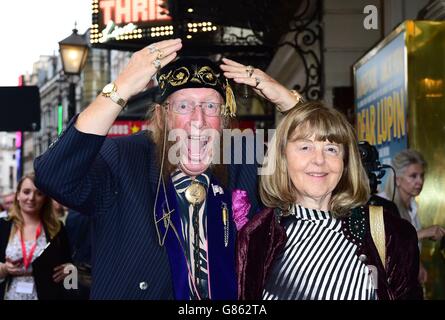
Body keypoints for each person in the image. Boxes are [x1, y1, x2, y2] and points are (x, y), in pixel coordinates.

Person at [33, 39, 304, 299]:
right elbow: (54, 176)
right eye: (184, 106)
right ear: (162, 116)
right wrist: (120, 88)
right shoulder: (123, 159)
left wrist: (289, 103)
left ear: (223, 119)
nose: (198, 120)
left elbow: (324, 173)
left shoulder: (245, 161)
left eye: (210, 106)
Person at [236, 101, 423, 300]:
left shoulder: (389, 233)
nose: (319, 160)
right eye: (305, 147)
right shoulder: (257, 236)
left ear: (345, 161)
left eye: (331, 149)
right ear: (282, 157)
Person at [0, 173, 72, 300]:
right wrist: (5, 268)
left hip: (47, 294)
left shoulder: (56, 228)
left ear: (45, 199)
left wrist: (70, 270)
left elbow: (71, 265)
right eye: (26, 192)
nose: (31, 198)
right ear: (18, 195)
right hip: (10, 294)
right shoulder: (3, 226)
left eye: (39, 193)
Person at [381, 149, 445, 284]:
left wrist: (417, 265)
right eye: (413, 176)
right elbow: (387, 245)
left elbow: (409, 247)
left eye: (422, 176)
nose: (420, 181)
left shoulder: (413, 206)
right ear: (398, 180)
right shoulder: (382, 204)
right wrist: (423, 233)